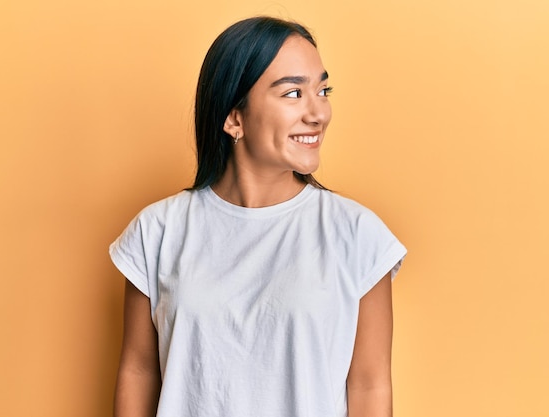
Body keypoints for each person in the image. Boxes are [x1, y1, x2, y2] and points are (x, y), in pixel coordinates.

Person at [110, 16, 406, 417]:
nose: (318, 112)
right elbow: (140, 370)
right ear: (234, 117)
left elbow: (370, 386)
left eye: (322, 89)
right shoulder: (157, 232)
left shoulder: (358, 235)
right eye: (293, 93)